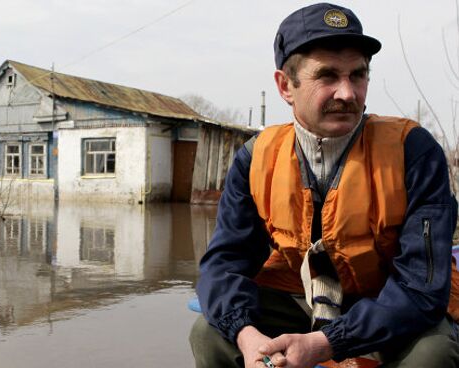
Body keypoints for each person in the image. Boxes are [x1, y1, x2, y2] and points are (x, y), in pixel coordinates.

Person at [189, 3, 459, 368]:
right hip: (297, 299)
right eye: (328, 76)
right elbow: (224, 264)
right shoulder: (256, 158)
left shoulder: (413, 150)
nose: (347, 93)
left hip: (386, 303)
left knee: (433, 353)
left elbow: (421, 288)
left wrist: (327, 342)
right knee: (209, 332)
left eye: (358, 75)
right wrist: (246, 333)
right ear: (286, 86)